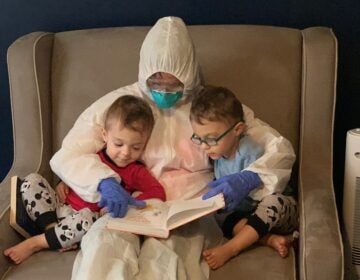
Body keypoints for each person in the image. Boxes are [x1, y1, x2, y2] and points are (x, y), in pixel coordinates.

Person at [49, 16, 296, 279]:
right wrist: (103, 182)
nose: (164, 91)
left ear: (189, 74)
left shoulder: (210, 107)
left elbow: (279, 148)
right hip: (128, 203)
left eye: (174, 84)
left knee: (166, 263)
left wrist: (250, 177)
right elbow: (69, 153)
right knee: (103, 250)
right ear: (145, 73)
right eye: (156, 83)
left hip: (189, 209)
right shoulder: (120, 104)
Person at [4, 95, 165, 265]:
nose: (125, 153)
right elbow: (73, 167)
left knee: (88, 219)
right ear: (105, 135)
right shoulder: (91, 155)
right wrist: (65, 181)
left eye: (136, 147)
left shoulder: (136, 171)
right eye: (118, 144)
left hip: (84, 222)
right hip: (58, 208)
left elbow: (158, 191)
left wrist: (129, 201)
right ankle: (50, 230)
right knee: (32, 180)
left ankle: (36, 243)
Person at [189, 86, 298, 270]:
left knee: (273, 203)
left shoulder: (249, 150)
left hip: (279, 210)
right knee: (220, 218)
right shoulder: (219, 152)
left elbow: (279, 161)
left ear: (238, 129)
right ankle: (269, 240)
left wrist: (248, 179)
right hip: (250, 216)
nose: (204, 147)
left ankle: (231, 248)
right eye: (199, 138)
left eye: (211, 139)